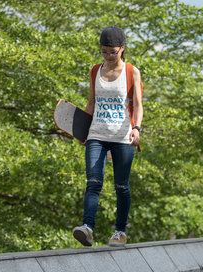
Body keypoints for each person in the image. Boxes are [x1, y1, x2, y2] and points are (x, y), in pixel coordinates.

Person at [72, 26, 143, 247]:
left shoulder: (132, 72)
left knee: (122, 186)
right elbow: (91, 103)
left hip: (123, 137)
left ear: (122, 48)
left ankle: (119, 232)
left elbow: (139, 105)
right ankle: (87, 228)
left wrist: (137, 128)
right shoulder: (95, 70)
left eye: (113, 51)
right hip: (97, 133)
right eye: (104, 52)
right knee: (93, 182)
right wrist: (83, 130)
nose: (109, 56)